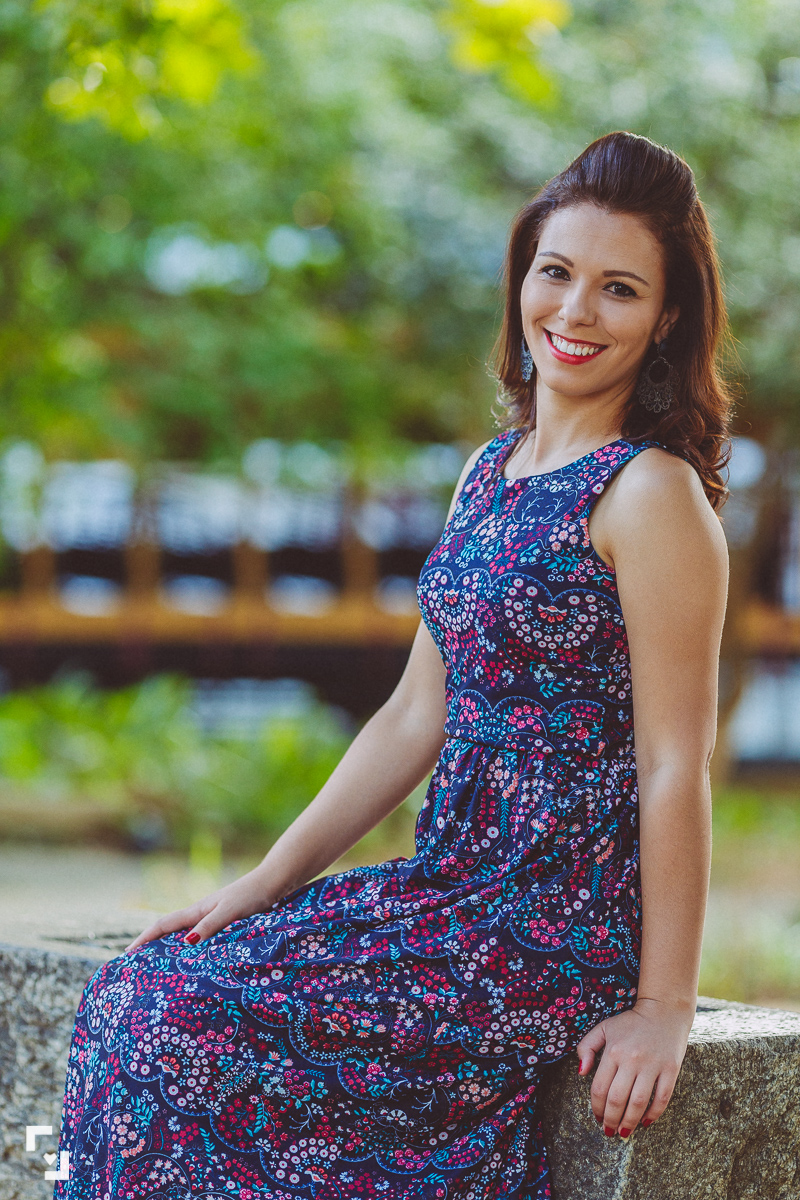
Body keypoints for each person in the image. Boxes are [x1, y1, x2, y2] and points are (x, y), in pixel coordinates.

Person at [52, 130, 730, 1200]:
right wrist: (262, 884)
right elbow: (412, 718)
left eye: (617, 289)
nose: (574, 312)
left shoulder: (650, 496)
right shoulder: (486, 473)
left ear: (667, 318)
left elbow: (673, 767)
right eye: (554, 274)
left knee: (176, 1022)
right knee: (134, 994)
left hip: (543, 933)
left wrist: (663, 1009)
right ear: (520, 281)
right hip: (447, 889)